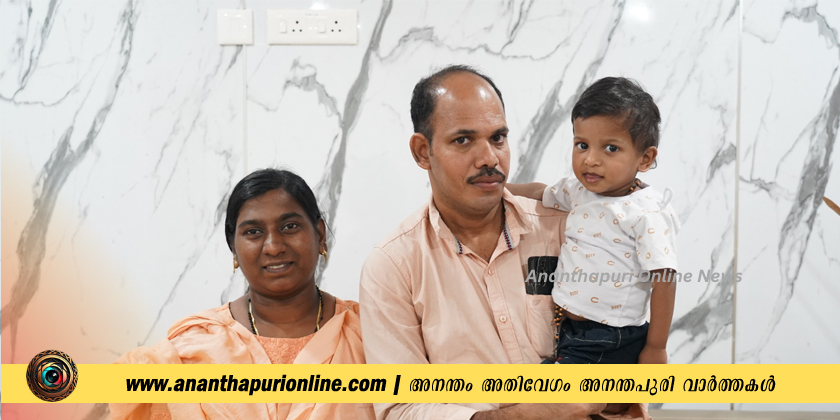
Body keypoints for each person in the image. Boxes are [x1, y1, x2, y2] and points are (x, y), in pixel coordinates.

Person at [359, 65, 649, 420]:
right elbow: (400, 408)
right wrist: (522, 415)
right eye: (463, 140)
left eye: (498, 138)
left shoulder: (568, 228)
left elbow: (624, 341)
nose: (489, 158)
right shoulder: (393, 266)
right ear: (422, 151)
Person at [110, 169, 374, 420]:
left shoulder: (368, 336)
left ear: (320, 234)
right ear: (233, 249)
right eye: (253, 232)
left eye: (290, 226)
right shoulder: (190, 351)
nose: (273, 247)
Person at [508, 77, 679, 366]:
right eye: (582, 145)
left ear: (645, 158)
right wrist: (500, 190)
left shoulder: (647, 212)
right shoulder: (578, 191)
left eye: (610, 148)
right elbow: (541, 192)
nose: (590, 159)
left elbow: (664, 280)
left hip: (611, 336)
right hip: (569, 328)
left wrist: (656, 347)